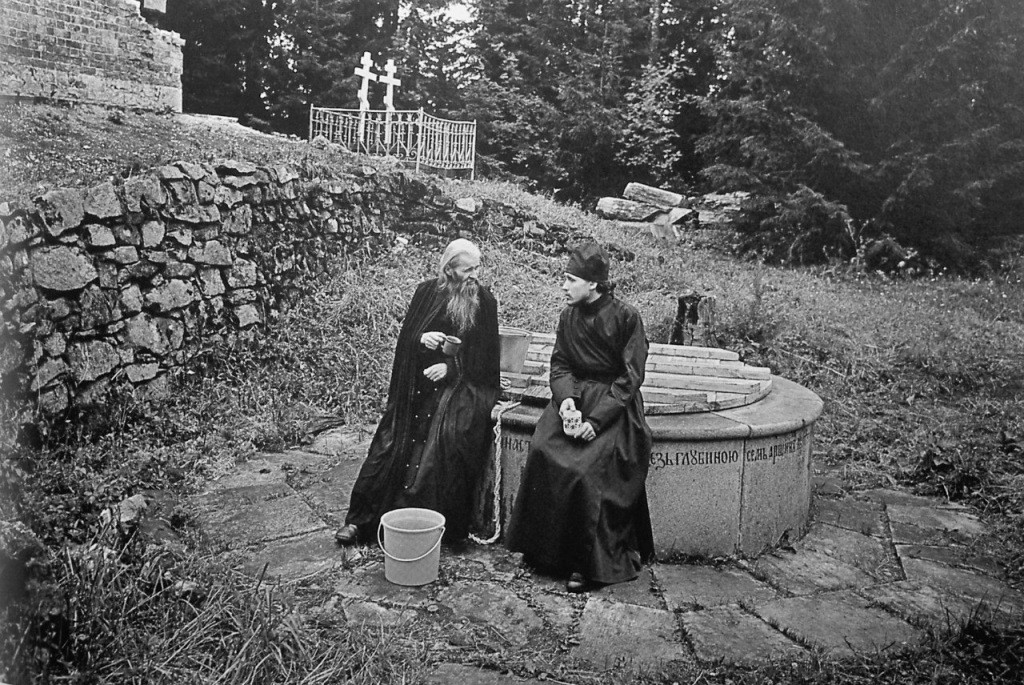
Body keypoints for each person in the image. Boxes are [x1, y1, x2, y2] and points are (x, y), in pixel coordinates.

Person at [506, 242, 654, 592]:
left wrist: (595, 421)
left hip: (614, 407)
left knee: (587, 469)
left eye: (571, 280)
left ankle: (585, 562)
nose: (564, 286)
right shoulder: (567, 316)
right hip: (574, 399)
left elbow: (631, 378)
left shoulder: (626, 317)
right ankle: (545, 552)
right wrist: (567, 405)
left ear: (593, 284)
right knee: (543, 448)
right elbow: (560, 364)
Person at [335, 239, 501, 546]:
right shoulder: (426, 293)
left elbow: (486, 359)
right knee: (389, 441)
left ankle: (427, 525)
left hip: (460, 387)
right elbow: (407, 340)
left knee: (447, 437)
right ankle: (360, 520)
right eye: (468, 269)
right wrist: (422, 338)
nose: (475, 275)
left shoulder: (485, 302)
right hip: (418, 385)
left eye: (477, 267)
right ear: (449, 269)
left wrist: (451, 369)